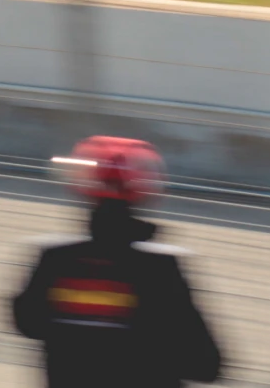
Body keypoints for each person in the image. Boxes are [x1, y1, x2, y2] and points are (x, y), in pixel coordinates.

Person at [12, 135, 225, 388]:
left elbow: (27, 323)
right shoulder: (161, 267)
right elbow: (207, 364)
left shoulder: (53, 259)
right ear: (146, 191)